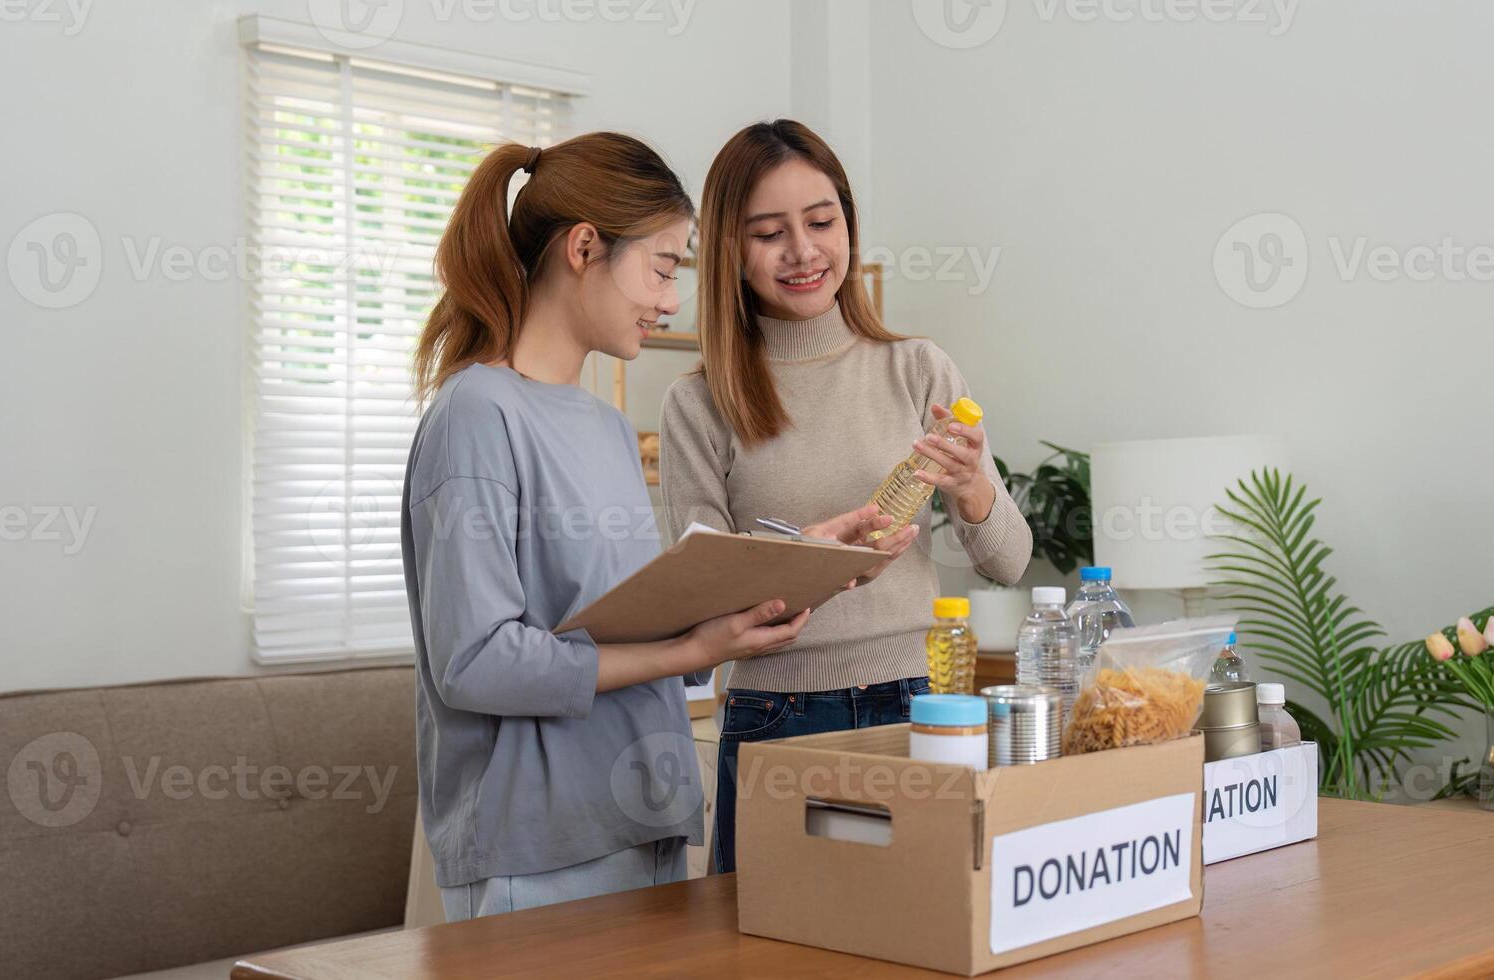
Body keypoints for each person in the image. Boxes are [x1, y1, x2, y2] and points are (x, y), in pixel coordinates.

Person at [401, 133, 857, 919]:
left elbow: (626, 623)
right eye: (663, 266)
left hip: (648, 823)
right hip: (536, 845)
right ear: (584, 248)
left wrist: (779, 570)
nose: (672, 298)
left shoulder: (608, 426)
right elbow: (477, 663)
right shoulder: (476, 415)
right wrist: (691, 650)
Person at [659, 119, 1032, 874]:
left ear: (849, 229)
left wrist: (972, 490)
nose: (803, 251)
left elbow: (1011, 563)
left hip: (917, 703)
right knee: (769, 944)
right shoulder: (699, 402)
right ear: (731, 249)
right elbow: (703, 603)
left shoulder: (920, 369)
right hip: (777, 718)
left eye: (822, 222)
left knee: (917, 928)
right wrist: (811, 564)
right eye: (769, 232)